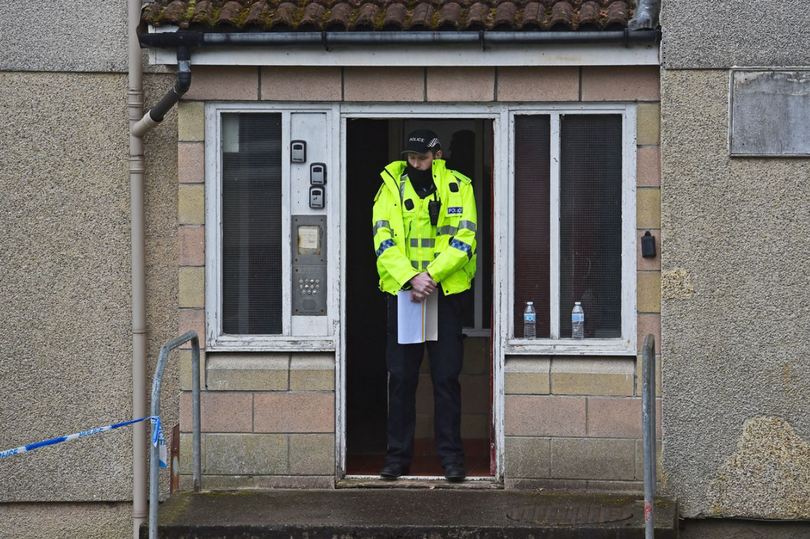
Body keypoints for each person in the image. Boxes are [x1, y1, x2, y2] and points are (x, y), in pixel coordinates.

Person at [371, 129, 477, 482]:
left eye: (422, 158)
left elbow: (466, 239)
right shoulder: (391, 186)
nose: (416, 164)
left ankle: (452, 460)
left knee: (446, 379)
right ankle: (397, 459)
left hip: (444, 295)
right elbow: (382, 239)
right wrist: (412, 279)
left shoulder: (459, 186)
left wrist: (429, 276)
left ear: (438, 155)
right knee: (401, 379)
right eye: (411, 159)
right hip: (406, 296)